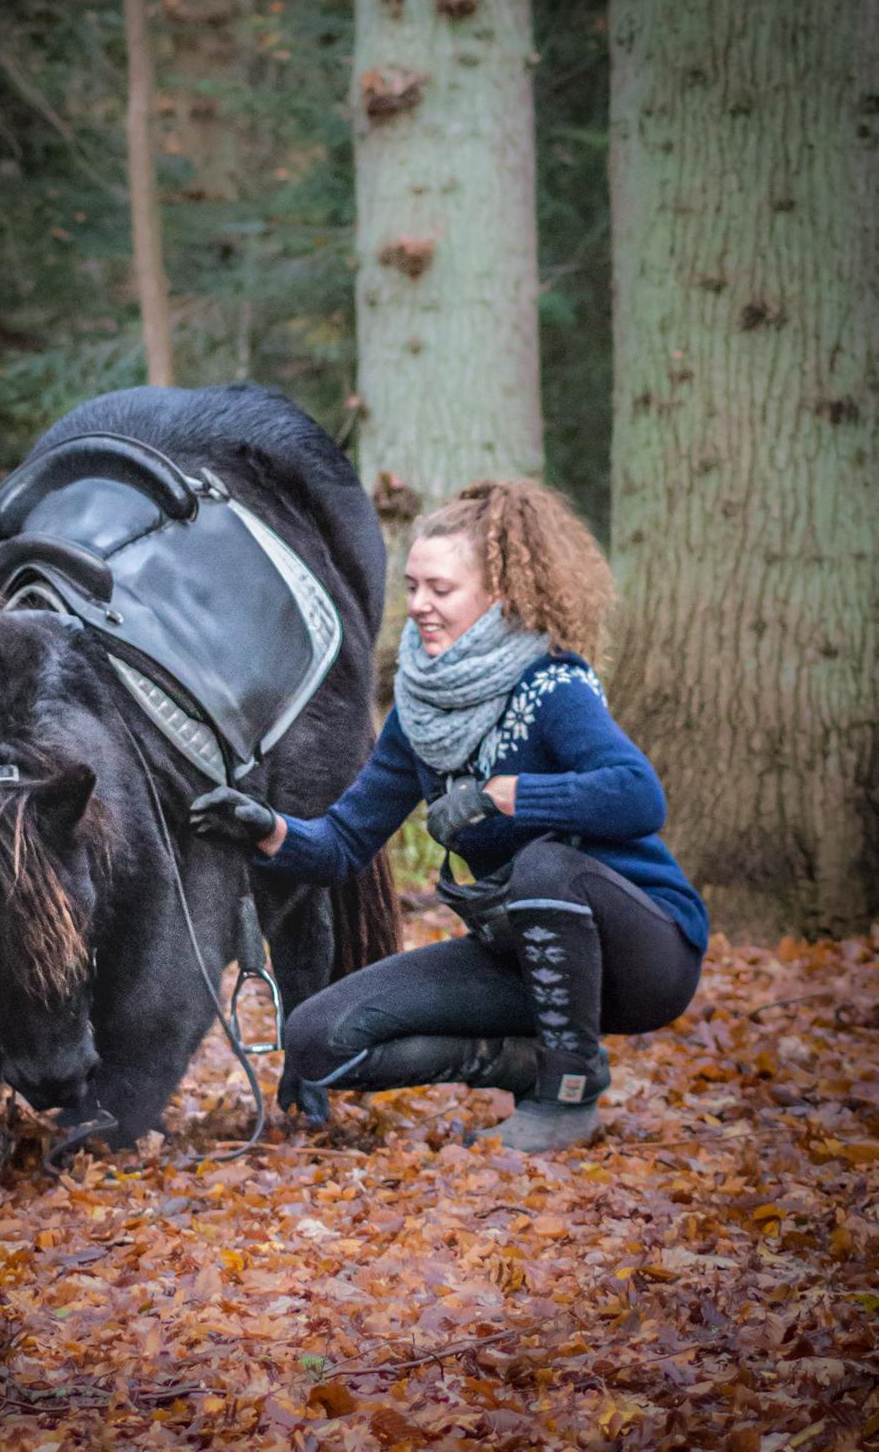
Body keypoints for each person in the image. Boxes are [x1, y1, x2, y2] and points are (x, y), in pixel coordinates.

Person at [191, 480, 707, 1153]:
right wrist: (267, 827)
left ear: (499, 594)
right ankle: (523, 1064)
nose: (419, 607)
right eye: (412, 587)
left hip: (645, 954)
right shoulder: (419, 716)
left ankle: (570, 1094)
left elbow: (639, 797)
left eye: (441, 589)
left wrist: (504, 795)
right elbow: (346, 843)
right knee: (319, 1039)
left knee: (541, 865)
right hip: (520, 958)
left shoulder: (554, 686)